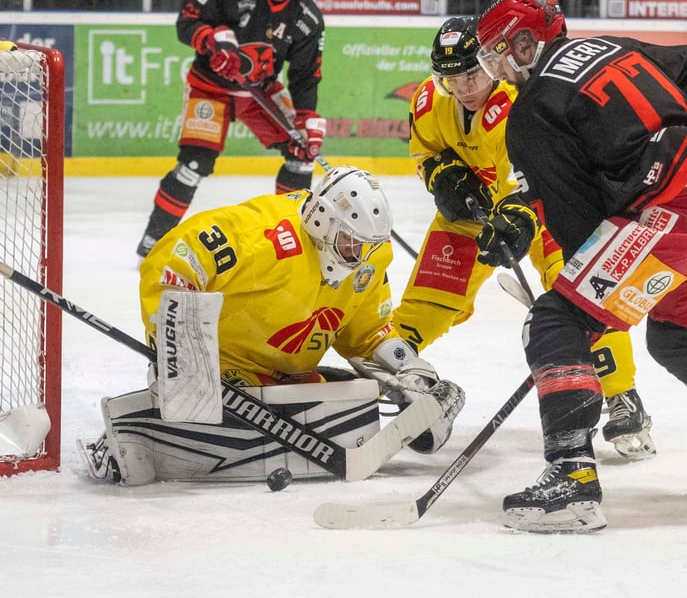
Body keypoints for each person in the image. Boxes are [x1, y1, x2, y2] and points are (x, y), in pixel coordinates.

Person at [474, 0, 687, 533]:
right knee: (678, 337)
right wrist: (665, 144)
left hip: (676, 217)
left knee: (555, 323)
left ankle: (571, 480)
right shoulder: (613, 45)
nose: (496, 72)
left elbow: (576, 222)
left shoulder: (531, 111)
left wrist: (578, 308)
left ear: (525, 44)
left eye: (498, 54)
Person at [81, 166, 464, 485]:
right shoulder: (266, 236)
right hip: (224, 373)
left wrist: (408, 372)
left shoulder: (368, 258)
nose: (361, 257)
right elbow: (174, 259)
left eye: (369, 246)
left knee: (352, 400)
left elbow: (366, 333)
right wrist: (178, 344)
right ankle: (154, 430)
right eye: (351, 243)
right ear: (321, 221)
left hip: (289, 382)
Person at [393, 16, 655, 460]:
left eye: (472, 75)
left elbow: (539, 175)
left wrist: (516, 213)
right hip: (476, 214)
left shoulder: (522, 102)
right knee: (431, 295)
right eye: (451, 80)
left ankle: (621, 394)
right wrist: (440, 174)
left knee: (582, 296)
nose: (463, 88)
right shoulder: (428, 102)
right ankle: (394, 369)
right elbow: (425, 152)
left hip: (549, 207)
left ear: (488, 65)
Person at [135, 0, 327, 258]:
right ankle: (154, 242)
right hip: (210, 89)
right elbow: (187, 22)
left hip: (260, 92)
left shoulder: (307, 17)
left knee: (301, 158)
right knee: (193, 165)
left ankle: (290, 239)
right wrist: (211, 43)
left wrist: (307, 120)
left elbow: (306, 75)